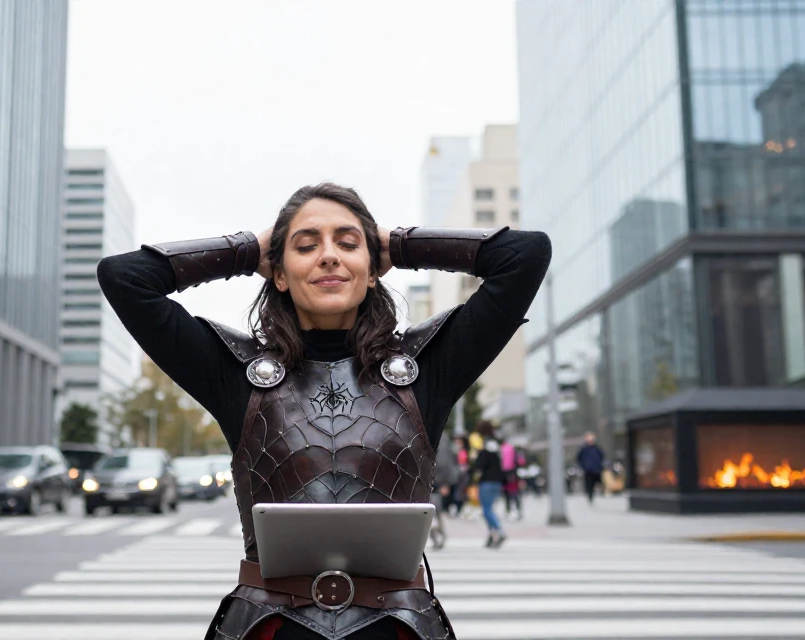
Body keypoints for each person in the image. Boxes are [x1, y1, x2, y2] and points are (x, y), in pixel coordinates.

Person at [97, 182, 550, 640]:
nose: (329, 256)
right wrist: (248, 248)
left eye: (348, 243)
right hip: (269, 626)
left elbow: (524, 255)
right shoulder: (234, 373)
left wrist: (395, 243)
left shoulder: (425, 367)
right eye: (306, 245)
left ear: (373, 270)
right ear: (278, 271)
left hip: (398, 629)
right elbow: (125, 277)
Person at [469, 421, 507, 548]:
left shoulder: (485, 445)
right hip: (497, 481)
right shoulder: (497, 444)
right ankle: (492, 535)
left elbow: (480, 464)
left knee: (486, 510)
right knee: (490, 508)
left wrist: (474, 460)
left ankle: (499, 531)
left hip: (486, 481)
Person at [577, 432, 606, 504]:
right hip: (588, 470)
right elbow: (579, 458)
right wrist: (584, 466)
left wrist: (600, 465)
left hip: (596, 469)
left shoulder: (597, 448)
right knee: (589, 484)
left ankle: (601, 491)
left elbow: (602, 456)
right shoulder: (583, 449)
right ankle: (590, 496)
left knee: (598, 481)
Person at [499, 435, 523, 521]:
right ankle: (518, 511)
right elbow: (520, 461)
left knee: (507, 494)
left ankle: (508, 511)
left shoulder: (501, 449)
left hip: (505, 475)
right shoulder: (511, 448)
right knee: (514, 493)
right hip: (512, 474)